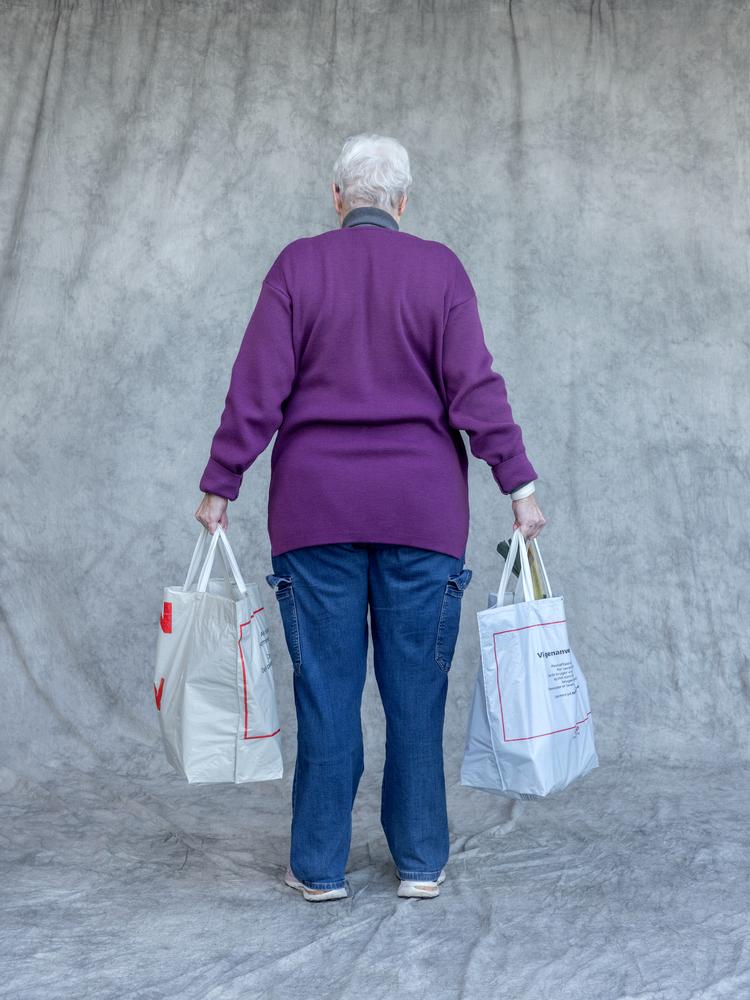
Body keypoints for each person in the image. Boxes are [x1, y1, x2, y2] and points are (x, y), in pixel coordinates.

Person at [194, 133, 546, 901]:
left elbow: (256, 389)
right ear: (403, 203)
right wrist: (518, 486)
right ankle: (420, 861)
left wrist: (222, 481)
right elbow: (476, 393)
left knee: (327, 692)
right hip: (421, 515)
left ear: (337, 198)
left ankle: (319, 866)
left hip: (314, 514)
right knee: (415, 693)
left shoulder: (297, 267)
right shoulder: (439, 271)